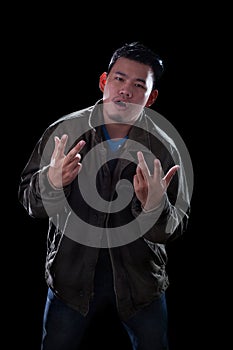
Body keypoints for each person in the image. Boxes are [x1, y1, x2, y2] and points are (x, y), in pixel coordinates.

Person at [18, 41, 191, 350]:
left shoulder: (164, 148)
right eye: (119, 79)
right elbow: (30, 203)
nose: (125, 90)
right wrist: (51, 182)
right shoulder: (65, 131)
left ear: (151, 98)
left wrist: (154, 206)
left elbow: (175, 228)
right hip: (70, 279)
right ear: (103, 82)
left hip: (140, 282)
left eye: (139, 85)